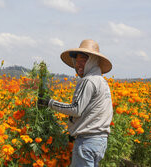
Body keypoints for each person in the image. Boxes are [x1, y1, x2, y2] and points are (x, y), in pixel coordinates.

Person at [38, 39, 113, 167]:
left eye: (83, 60)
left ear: (92, 61)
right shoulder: (101, 81)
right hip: (99, 141)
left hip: (87, 141)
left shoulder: (88, 81)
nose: (78, 64)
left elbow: (76, 109)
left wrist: (49, 102)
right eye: (77, 61)